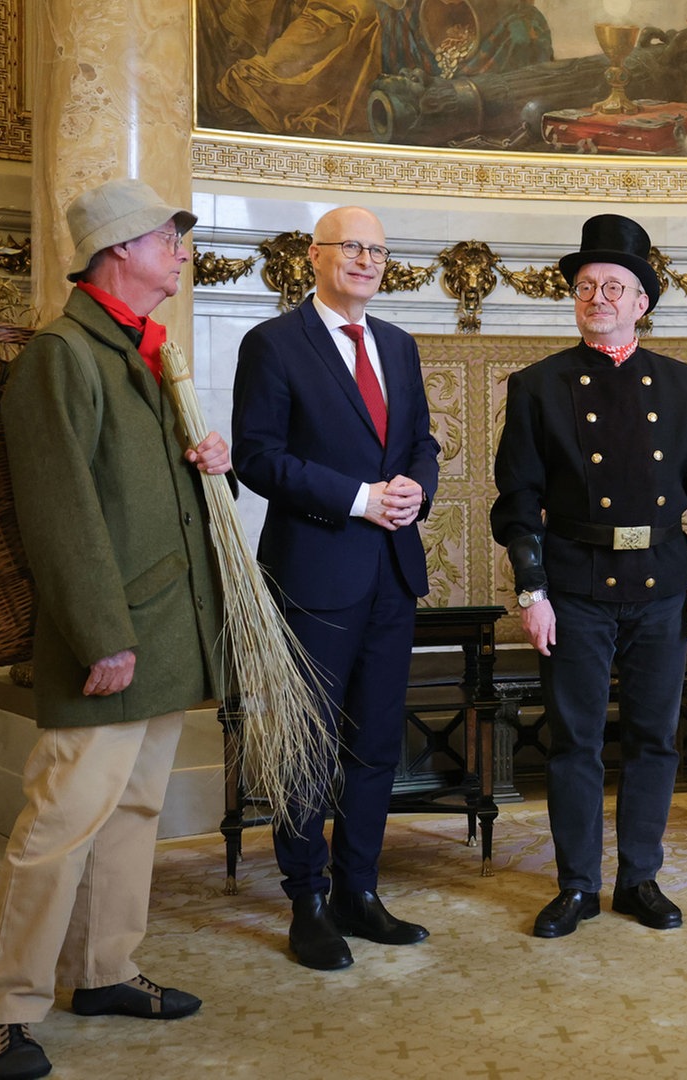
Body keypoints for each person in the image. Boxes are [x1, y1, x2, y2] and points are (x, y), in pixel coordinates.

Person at [0, 179, 227, 1080]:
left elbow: (142, 496)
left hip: (161, 632)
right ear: (120, 249)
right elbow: (60, 511)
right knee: (61, 823)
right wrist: (98, 635)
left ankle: (106, 971)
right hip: (111, 640)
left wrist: (206, 462)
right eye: (169, 236)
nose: (181, 249)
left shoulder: (141, 353)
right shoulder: (62, 355)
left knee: (136, 810)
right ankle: (4, 1009)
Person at [492, 214, 687, 937]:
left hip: (662, 583)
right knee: (573, 741)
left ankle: (639, 879)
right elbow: (518, 500)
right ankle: (575, 886)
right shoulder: (537, 385)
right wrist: (531, 592)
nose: (596, 296)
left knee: (655, 739)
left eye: (613, 286)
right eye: (585, 286)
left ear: (642, 302)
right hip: (573, 587)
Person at [231, 206, 441, 971]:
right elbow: (257, 456)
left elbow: (421, 440)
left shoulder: (398, 344)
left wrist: (418, 486)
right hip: (315, 571)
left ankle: (360, 889)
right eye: (352, 246)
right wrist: (359, 498)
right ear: (314, 256)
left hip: (391, 573)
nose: (367, 259)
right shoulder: (274, 344)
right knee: (307, 747)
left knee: (377, 744)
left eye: (379, 249)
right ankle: (308, 900)